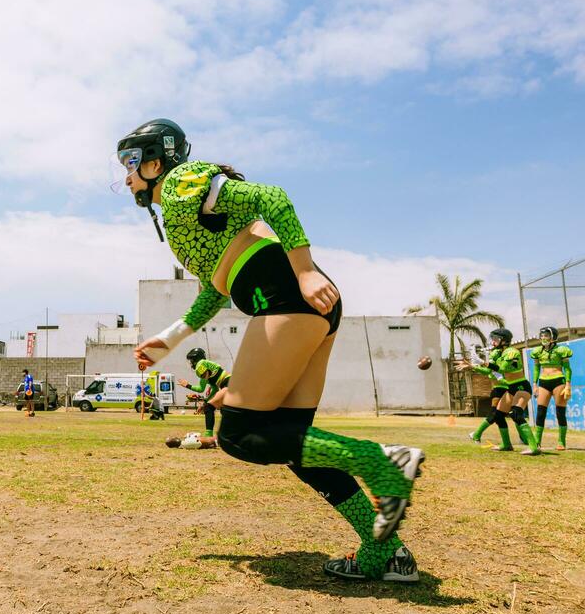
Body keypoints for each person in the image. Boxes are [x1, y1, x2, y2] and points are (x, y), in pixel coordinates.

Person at [120, 118, 423, 582]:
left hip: (286, 296)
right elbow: (216, 289)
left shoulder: (182, 182)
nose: (125, 177)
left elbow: (272, 196)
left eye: (130, 163)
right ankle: (387, 553)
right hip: (300, 303)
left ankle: (381, 462)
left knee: (239, 437)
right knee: (297, 447)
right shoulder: (186, 217)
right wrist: (172, 337)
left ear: (156, 161)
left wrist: (303, 271)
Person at [462, 329, 535, 453]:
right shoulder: (497, 353)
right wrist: (473, 366)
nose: (493, 341)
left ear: (504, 340)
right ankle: (506, 445)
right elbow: (488, 371)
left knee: (516, 414)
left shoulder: (512, 352)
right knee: (498, 415)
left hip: (521, 386)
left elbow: (502, 368)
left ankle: (534, 447)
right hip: (511, 388)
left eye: (496, 339)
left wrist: (483, 362)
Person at [530, 326, 574, 451]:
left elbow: (567, 368)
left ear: (553, 337)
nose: (543, 338)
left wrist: (568, 384)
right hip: (543, 382)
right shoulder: (537, 351)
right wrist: (534, 384)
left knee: (560, 412)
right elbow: (537, 369)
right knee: (540, 412)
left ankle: (561, 441)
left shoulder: (561, 350)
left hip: (558, 381)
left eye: (546, 335)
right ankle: (537, 441)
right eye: (542, 335)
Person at [179, 346, 228, 445]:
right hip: (229, 383)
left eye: (191, 360)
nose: (191, 363)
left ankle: (209, 435)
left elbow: (201, 388)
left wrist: (187, 385)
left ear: (196, 359)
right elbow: (214, 389)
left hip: (228, 384)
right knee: (224, 410)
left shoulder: (200, 366)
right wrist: (205, 401)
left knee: (209, 408)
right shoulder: (206, 365)